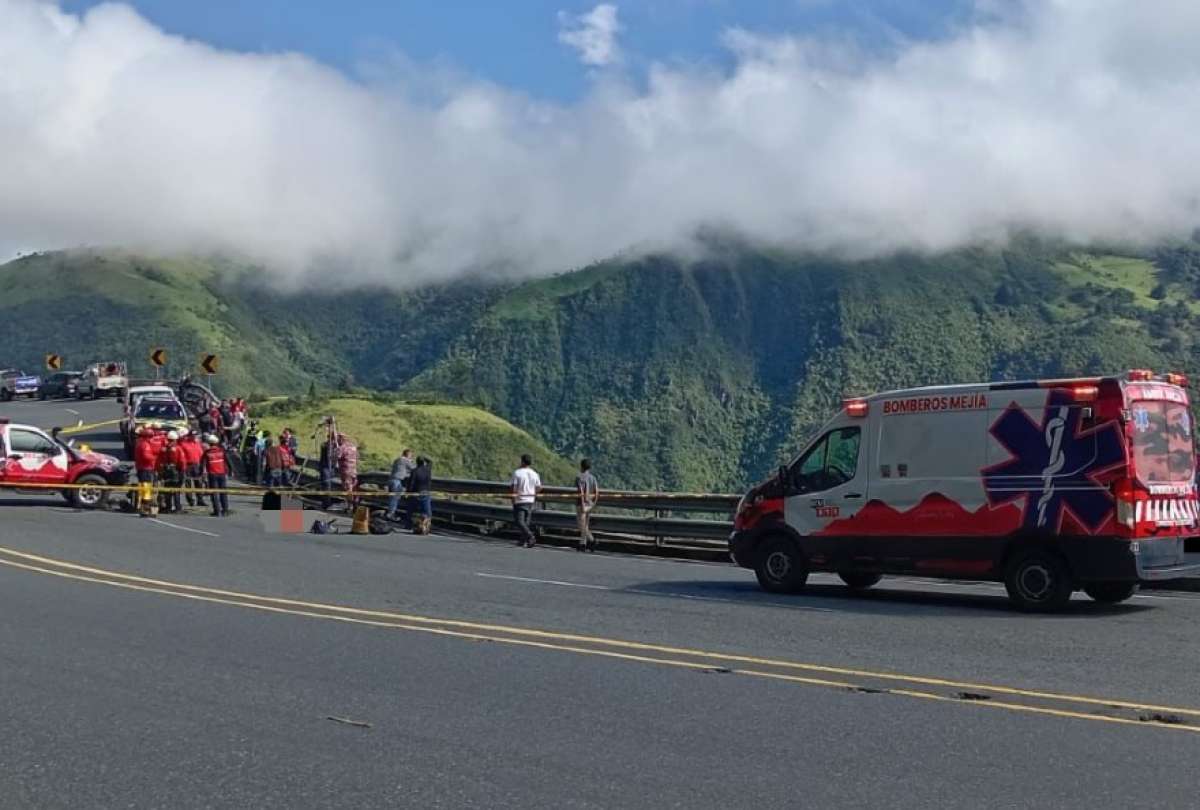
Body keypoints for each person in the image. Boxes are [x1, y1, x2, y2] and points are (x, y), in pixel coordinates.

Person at [510, 454, 542, 548]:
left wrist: (513, 498)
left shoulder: (517, 473)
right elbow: (539, 487)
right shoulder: (535, 473)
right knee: (526, 522)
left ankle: (530, 536)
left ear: (522, 461)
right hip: (530, 500)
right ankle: (522, 541)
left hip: (520, 499)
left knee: (519, 521)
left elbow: (513, 487)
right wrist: (533, 493)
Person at [156, 431, 186, 514]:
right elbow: (182, 461)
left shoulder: (163, 449)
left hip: (165, 471)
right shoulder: (178, 448)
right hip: (175, 471)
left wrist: (159, 471)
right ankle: (177, 507)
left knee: (167, 490)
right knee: (176, 490)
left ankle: (168, 507)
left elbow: (159, 461)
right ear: (175, 439)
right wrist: (183, 471)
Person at [575, 458, 600, 552]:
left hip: (581, 503)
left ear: (581, 466)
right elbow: (597, 492)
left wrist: (582, 505)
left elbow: (581, 492)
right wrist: (594, 503)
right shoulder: (593, 477)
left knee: (581, 525)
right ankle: (582, 544)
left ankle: (592, 540)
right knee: (585, 525)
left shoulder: (579, 477)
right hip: (590, 503)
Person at [201, 434, 229, 517]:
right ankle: (225, 509)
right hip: (222, 473)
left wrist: (201, 473)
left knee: (214, 493)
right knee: (223, 492)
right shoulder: (221, 450)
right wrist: (230, 470)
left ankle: (217, 511)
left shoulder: (207, 452)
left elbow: (202, 463)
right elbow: (227, 461)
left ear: (209, 443)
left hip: (212, 474)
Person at [404, 456, 433, 534]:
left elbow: (411, 483)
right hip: (426, 492)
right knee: (427, 510)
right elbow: (430, 462)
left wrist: (408, 492)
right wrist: (424, 457)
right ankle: (427, 525)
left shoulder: (415, 471)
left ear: (416, 462)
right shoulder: (428, 470)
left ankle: (408, 525)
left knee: (411, 509)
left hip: (416, 492)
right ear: (423, 462)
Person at [179, 430, 207, 508]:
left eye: (195, 435)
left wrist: (203, 466)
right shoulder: (183, 444)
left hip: (197, 465)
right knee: (188, 484)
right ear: (189, 436)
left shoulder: (198, 444)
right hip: (188, 465)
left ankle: (200, 500)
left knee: (199, 483)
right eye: (193, 435)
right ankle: (190, 500)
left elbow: (201, 454)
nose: (194, 437)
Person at [386, 448, 416, 520]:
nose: (411, 456)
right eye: (411, 455)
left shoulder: (397, 460)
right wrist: (411, 461)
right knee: (394, 498)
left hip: (391, 480)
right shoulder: (405, 460)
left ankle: (390, 513)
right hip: (397, 481)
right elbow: (414, 468)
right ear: (408, 454)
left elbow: (401, 469)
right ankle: (391, 514)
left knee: (392, 498)